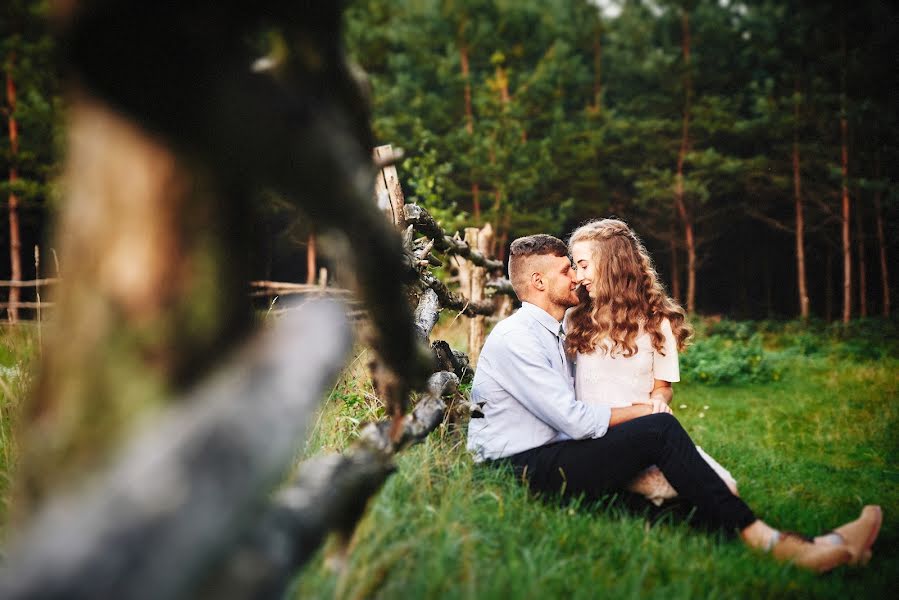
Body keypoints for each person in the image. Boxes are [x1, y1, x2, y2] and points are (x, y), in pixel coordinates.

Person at [466, 233, 881, 573]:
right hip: (515, 469)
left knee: (681, 498)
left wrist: (647, 407)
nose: (575, 277)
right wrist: (645, 410)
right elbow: (574, 420)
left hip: (548, 455)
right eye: (566, 269)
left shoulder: (551, 331)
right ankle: (775, 545)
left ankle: (826, 545)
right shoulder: (519, 337)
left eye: (578, 266)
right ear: (539, 283)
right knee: (660, 432)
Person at [566, 218, 736, 504]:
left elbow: (663, 387)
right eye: (575, 266)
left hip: (644, 434)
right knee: (688, 493)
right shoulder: (574, 319)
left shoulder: (659, 321)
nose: (577, 276)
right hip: (593, 437)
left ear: (612, 264)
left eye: (584, 265)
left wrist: (659, 400)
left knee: (726, 487)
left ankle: (631, 493)